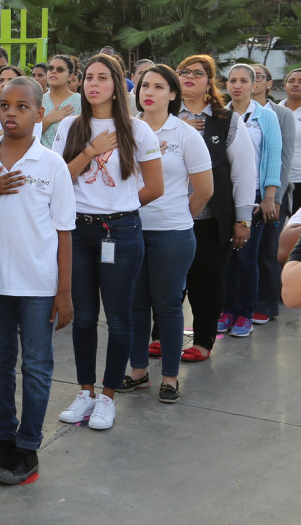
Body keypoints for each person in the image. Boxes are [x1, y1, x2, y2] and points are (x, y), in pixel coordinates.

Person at [0, 76, 73, 486]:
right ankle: (4, 438)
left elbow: (63, 232)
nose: (11, 112)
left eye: (22, 106)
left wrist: (64, 292)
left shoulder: (52, 164)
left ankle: (28, 445)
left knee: (38, 367)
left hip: (39, 286)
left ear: (40, 114)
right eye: (5, 105)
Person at [53, 54, 164, 431]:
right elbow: (57, 180)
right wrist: (90, 151)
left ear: (117, 85)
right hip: (77, 232)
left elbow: (155, 186)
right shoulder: (70, 126)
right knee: (83, 317)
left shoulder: (138, 129)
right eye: (88, 78)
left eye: (102, 77)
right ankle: (85, 392)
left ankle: (108, 396)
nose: (93, 84)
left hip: (120, 232)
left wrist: (120, 208)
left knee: (118, 318)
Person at [116, 64, 212, 404]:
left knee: (169, 306)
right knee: (135, 305)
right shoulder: (124, 129)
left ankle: (170, 376)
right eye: (144, 85)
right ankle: (138, 371)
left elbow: (204, 189)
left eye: (158, 86)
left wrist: (179, 217)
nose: (149, 92)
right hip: (129, 229)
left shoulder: (186, 134)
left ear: (173, 94)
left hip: (171, 234)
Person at [176, 55, 257, 363]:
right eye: (185, 72)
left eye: (199, 73)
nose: (190, 77)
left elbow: (244, 172)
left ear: (210, 82)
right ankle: (161, 336)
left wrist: (243, 220)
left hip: (210, 219)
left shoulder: (225, 120)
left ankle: (203, 340)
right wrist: (176, 128)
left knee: (206, 281)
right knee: (165, 281)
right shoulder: (162, 116)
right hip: (167, 217)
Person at [219, 63, 282, 338]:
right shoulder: (219, 115)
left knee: (247, 258)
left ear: (254, 84)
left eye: (243, 80)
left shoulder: (266, 117)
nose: (237, 85)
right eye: (232, 80)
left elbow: (272, 158)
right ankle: (226, 310)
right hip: (223, 195)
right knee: (225, 259)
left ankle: (245, 313)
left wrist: (270, 197)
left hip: (254, 196)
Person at [251, 64, 293, 325]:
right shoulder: (230, 112)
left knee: (267, 251)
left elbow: (284, 158)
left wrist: (275, 197)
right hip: (238, 193)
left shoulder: (280, 114)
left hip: (270, 193)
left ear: (269, 83)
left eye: (258, 77)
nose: (252, 81)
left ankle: (265, 304)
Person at [0, 66, 32, 146]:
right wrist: (3, 133)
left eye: (11, 80)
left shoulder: (31, 117)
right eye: (1, 81)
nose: (4, 84)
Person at [40, 54, 81, 146]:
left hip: (69, 158)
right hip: (41, 158)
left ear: (70, 76)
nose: (53, 72)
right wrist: (49, 119)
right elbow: (27, 133)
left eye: (60, 69)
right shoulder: (38, 101)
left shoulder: (80, 102)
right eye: (50, 68)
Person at [283, 68, 301, 216]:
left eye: (300, 82)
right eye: (291, 81)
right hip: (277, 182)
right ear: (285, 85)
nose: (295, 84)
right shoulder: (272, 111)